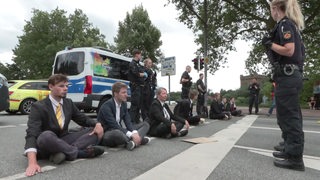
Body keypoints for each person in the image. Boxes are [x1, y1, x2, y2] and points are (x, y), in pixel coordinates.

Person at [24, 74, 104, 177]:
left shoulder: (68, 103)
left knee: (93, 131)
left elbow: (82, 119)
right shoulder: (38, 106)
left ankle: (62, 153)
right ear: (51, 87)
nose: (66, 88)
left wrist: (97, 124)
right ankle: (80, 153)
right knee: (46, 135)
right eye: (61, 86)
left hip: (64, 139)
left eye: (67, 86)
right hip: (47, 142)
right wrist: (32, 163)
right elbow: (32, 133)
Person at [262, 0, 306, 171]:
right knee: (287, 116)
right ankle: (289, 149)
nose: (271, 13)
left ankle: (295, 158)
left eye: (271, 9)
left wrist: (270, 44)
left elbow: (289, 50)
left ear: (275, 9)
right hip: (290, 75)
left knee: (289, 117)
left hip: (288, 76)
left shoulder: (285, 24)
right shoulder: (290, 24)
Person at [97, 82, 150, 151]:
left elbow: (128, 122)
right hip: (108, 133)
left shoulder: (124, 104)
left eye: (126, 92)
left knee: (145, 124)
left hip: (120, 130)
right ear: (115, 94)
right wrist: (131, 135)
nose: (126, 95)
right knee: (117, 133)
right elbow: (114, 125)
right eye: (123, 93)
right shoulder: (106, 106)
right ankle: (138, 139)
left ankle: (133, 142)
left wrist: (134, 132)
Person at [128, 49, 147, 123]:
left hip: (140, 87)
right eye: (140, 54)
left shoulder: (138, 64)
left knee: (139, 105)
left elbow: (142, 71)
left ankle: (136, 120)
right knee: (135, 105)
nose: (141, 56)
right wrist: (143, 74)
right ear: (136, 54)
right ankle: (131, 122)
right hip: (135, 86)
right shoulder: (132, 64)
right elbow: (136, 73)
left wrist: (143, 74)